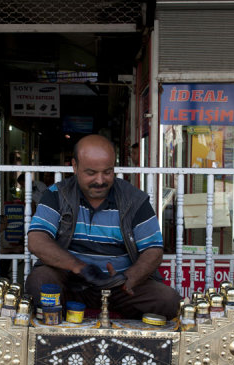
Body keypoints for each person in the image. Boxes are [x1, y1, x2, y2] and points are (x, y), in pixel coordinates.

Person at [26, 134, 181, 320]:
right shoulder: (57, 195)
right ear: (75, 166)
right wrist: (79, 268)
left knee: (168, 299)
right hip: (72, 283)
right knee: (40, 280)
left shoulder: (134, 200)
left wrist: (127, 279)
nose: (100, 180)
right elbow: (36, 240)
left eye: (107, 172)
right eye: (91, 173)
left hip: (120, 289)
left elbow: (153, 250)